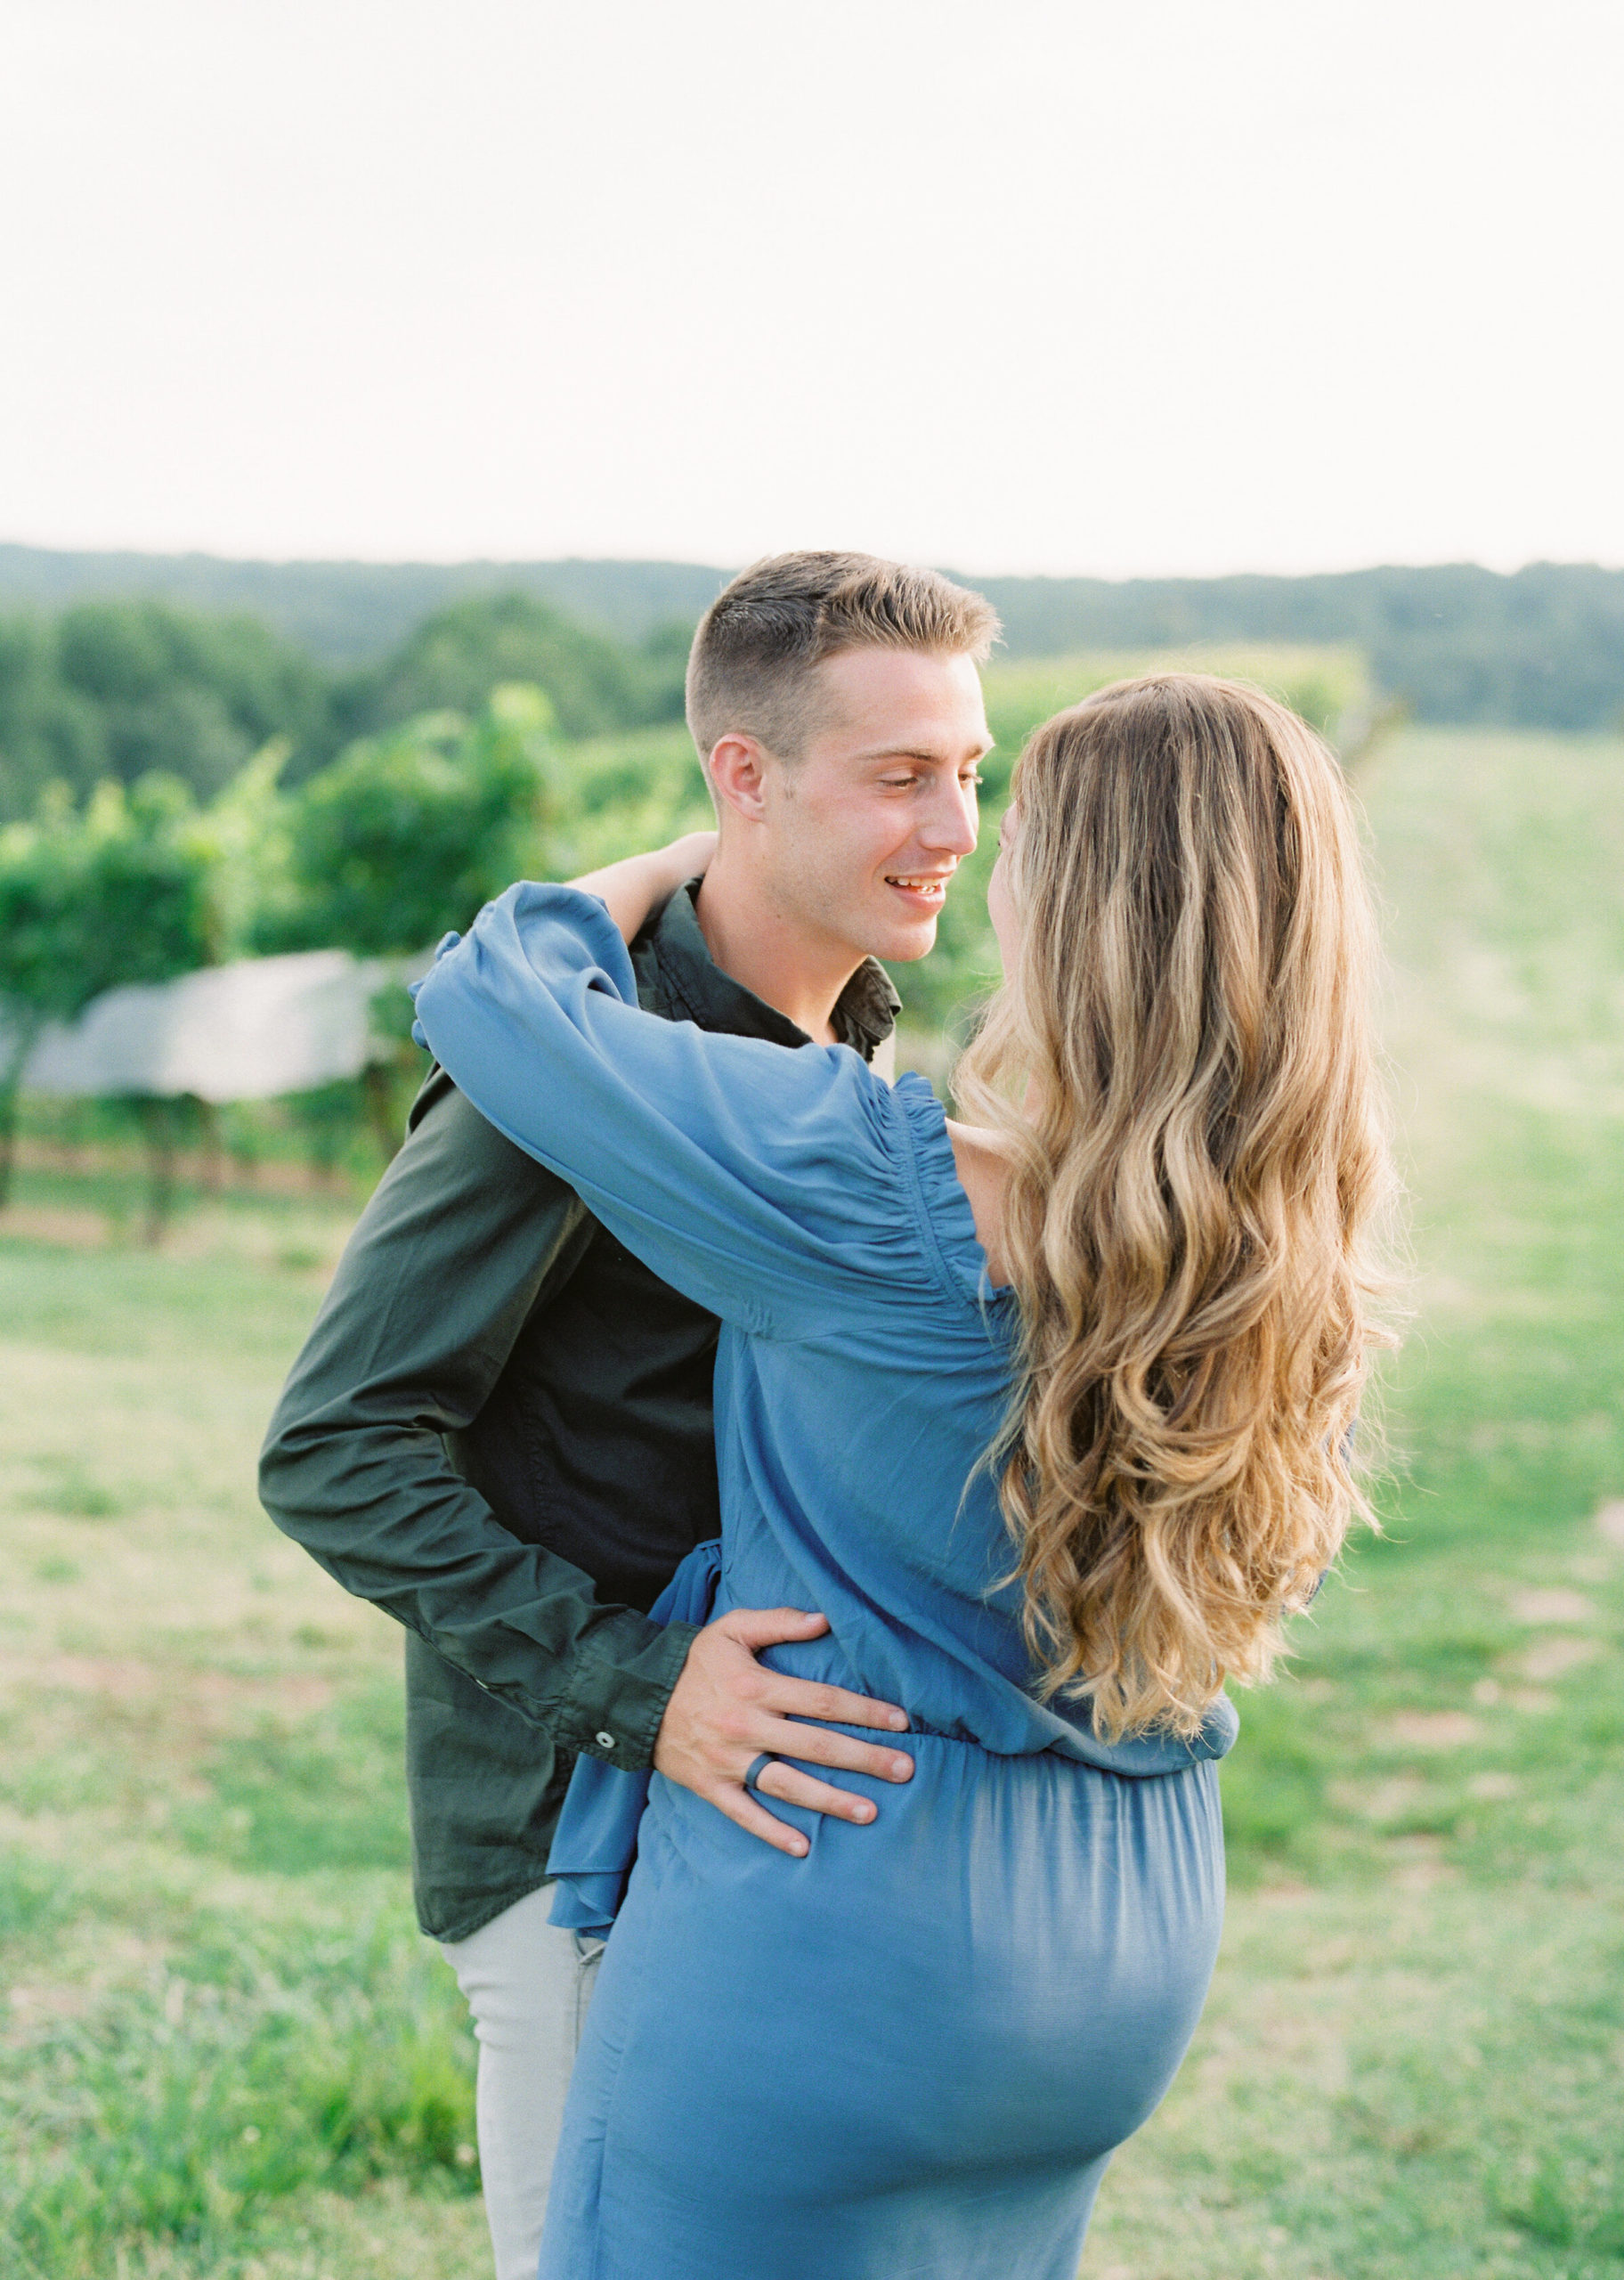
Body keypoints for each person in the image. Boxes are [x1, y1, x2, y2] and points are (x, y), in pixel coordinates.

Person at [409, 671, 1396, 2280]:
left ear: (1066, 905)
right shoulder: (1286, 1251)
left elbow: (490, 997)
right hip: (1125, 1938)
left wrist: (662, 869)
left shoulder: (867, 1186)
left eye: (1012, 828)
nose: (972, 846)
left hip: (848, 1922)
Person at [256, 552, 1000, 2280]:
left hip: (776, 1811)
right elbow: (335, 1442)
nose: (953, 820)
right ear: (742, 777)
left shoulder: (859, 1058)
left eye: (966, 766)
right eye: (900, 773)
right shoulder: (572, 1071)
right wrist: (640, 1686)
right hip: (576, 1828)